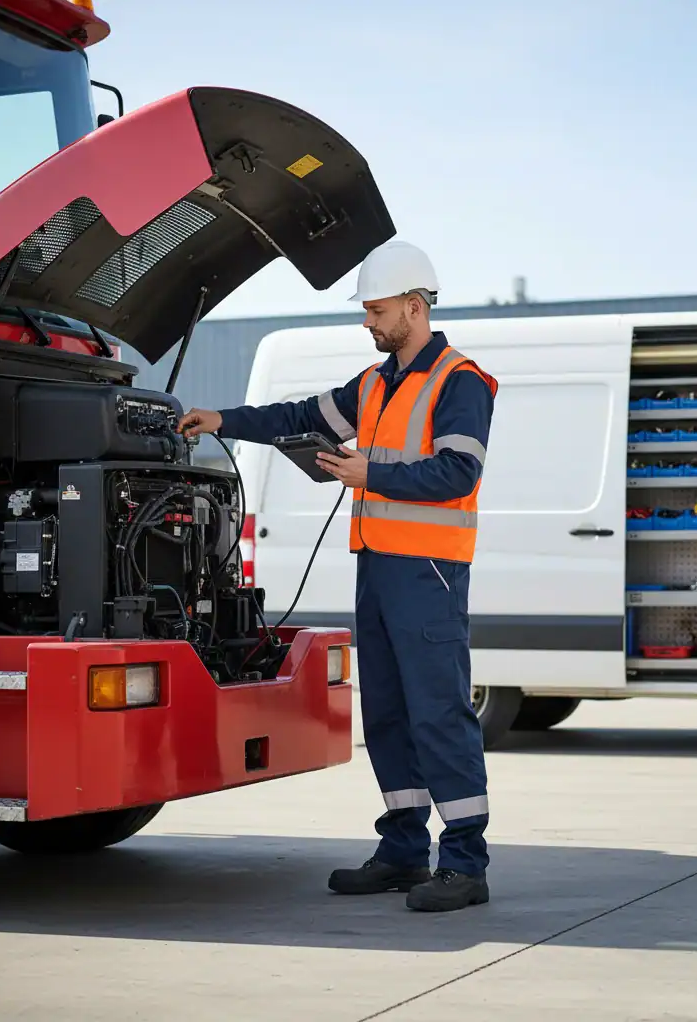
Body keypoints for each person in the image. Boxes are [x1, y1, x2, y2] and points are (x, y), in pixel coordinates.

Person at [177, 240, 498, 913]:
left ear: (415, 307)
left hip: (430, 575)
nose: (368, 322)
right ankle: (406, 850)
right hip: (379, 569)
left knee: (439, 713)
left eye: (377, 311)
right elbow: (298, 417)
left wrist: (368, 473)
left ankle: (465, 864)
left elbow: (458, 472)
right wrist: (223, 421)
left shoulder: (462, 381)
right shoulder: (374, 385)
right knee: (386, 712)